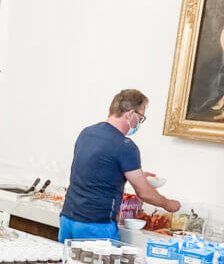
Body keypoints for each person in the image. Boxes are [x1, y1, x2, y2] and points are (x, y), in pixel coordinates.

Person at [59, 89, 181, 243]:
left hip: (68, 219)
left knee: (68, 259)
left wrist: (139, 176)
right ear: (130, 114)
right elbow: (144, 193)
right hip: (96, 224)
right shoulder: (125, 146)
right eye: (140, 118)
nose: (139, 123)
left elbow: (95, 169)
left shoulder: (87, 133)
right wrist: (168, 204)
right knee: (101, 261)